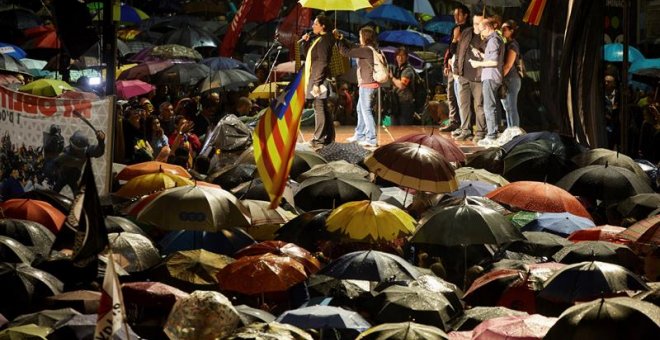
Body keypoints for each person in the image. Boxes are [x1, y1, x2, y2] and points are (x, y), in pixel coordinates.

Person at [336, 26, 380, 147]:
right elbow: (353, 45)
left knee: (366, 111)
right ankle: (360, 135)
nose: (359, 38)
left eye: (360, 35)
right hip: (365, 85)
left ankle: (371, 139)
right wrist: (341, 38)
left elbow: (345, 52)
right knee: (360, 110)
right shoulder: (367, 48)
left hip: (368, 85)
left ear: (364, 37)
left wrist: (338, 41)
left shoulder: (366, 50)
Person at [301, 14, 336, 148]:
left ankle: (319, 138)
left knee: (319, 108)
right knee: (322, 108)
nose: (313, 26)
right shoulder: (319, 39)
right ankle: (327, 137)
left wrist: (316, 83)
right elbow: (310, 56)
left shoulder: (324, 40)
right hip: (318, 77)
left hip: (319, 79)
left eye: (315, 24)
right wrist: (305, 42)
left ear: (323, 26)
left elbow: (322, 62)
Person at [470, 18, 505, 147]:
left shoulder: (493, 40)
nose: (480, 33)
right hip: (491, 76)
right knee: (490, 106)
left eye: (481, 30)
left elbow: (494, 62)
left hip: (491, 77)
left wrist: (477, 63)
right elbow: (491, 58)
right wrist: (480, 54)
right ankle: (492, 133)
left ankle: (491, 135)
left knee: (489, 106)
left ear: (487, 28)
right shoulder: (494, 40)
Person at [453, 14, 486, 142]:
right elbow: (459, 50)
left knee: (479, 105)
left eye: (478, 24)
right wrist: (456, 69)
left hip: (478, 77)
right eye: (474, 23)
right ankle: (465, 130)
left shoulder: (486, 36)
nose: (476, 26)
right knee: (463, 105)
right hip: (463, 75)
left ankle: (480, 132)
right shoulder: (467, 32)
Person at [440, 4, 470, 133]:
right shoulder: (455, 28)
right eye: (454, 14)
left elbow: (455, 48)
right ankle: (454, 121)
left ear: (465, 15)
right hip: (452, 65)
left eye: (458, 14)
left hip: (462, 67)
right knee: (450, 94)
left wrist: (455, 38)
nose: (455, 17)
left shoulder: (468, 30)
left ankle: (464, 124)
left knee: (461, 97)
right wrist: (446, 63)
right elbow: (449, 49)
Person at [500, 20, 522, 129]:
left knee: (512, 106)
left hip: (512, 79)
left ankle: (515, 132)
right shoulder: (506, 44)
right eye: (502, 28)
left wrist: (499, 77)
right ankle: (510, 130)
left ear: (511, 31)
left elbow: (508, 65)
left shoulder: (513, 45)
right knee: (507, 107)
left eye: (505, 29)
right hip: (506, 79)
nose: (502, 31)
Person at [389, 47, 415, 125]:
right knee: (394, 129)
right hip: (395, 103)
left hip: (405, 104)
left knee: (405, 129)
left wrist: (392, 78)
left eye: (402, 55)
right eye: (398, 55)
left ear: (407, 57)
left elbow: (402, 85)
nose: (400, 58)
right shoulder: (396, 69)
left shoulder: (408, 70)